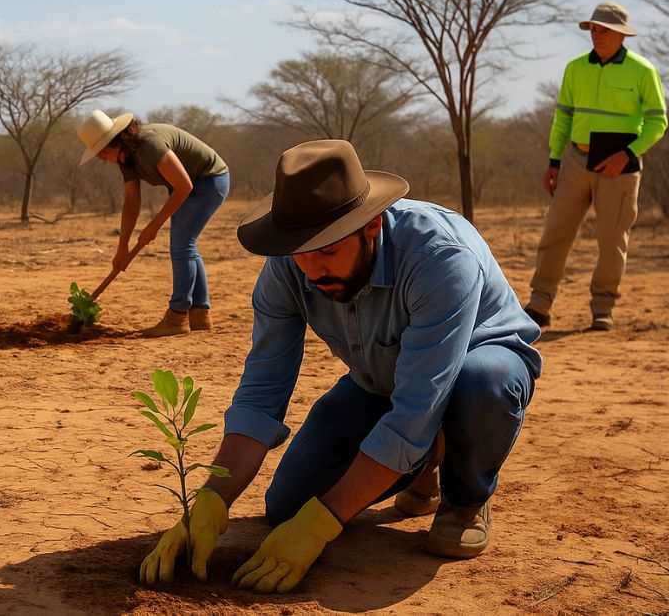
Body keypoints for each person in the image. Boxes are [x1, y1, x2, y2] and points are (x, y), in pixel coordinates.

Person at [139, 140, 542, 593]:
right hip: (380, 382)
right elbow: (261, 391)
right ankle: (425, 461)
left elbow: (416, 408)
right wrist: (213, 498)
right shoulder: (289, 268)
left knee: (483, 382)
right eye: (299, 251)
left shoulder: (439, 259)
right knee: (289, 505)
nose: (311, 269)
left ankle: (466, 497)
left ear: (370, 226)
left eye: (327, 250)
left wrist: (322, 524)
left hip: (474, 367)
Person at [526, 1, 668, 331]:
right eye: (593, 29)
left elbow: (658, 122)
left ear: (620, 34)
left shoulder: (643, 70)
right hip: (576, 160)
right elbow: (563, 117)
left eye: (603, 30)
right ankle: (539, 305)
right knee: (555, 232)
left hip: (620, 164)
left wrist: (628, 154)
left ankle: (602, 308)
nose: (596, 35)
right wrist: (554, 161)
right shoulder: (575, 68)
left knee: (612, 240)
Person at [76, 110, 231, 337]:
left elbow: (184, 186)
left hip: (209, 180)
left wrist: (154, 225)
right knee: (186, 246)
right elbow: (131, 201)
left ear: (111, 144)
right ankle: (200, 315)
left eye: (100, 153)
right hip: (187, 187)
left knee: (182, 246)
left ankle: (177, 316)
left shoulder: (149, 145)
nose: (101, 159)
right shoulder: (125, 158)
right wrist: (122, 247)